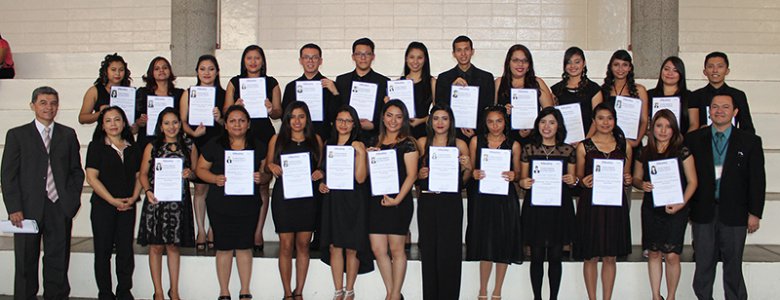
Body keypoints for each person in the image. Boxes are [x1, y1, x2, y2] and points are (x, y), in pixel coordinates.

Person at [2, 87, 84, 299]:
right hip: (27, 210)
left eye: (53, 103)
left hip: (59, 207)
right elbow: (8, 176)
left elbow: (76, 171)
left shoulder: (67, 134)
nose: (49, 107)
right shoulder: (17, 135)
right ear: (33, 106)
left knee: (57, 261)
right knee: (25, 262)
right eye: (43, 102)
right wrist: (14, 208)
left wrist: (71, 201)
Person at [685, 93, 765, 300]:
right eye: (715, 107)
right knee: (703, 263)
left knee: (733, 265)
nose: (719, 110)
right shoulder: (693, 139)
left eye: (725, 107)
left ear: (735, 112)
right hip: (703, 211)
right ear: (709, 111)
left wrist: (755, 213)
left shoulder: (750, 142)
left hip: (736, 213)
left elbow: (757, 180)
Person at [195, 105, 268, 300]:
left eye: (242, 120)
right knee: (224, 247)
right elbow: (200, 169)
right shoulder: (214, 144)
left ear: (248, 124)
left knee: (245, 246)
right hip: (220, 205)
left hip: (248, 205)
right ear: (225, 125)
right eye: (233, 121)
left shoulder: (259, 145)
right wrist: (214, 179)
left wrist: (262, 176)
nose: (237, 124)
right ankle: (224, 292)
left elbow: (267, 173)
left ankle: (245, 291)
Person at [631, 109, 698, 300]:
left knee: (671, 255)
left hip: (676, 209)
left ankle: (670, 296)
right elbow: (636, 178)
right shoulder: (645, 152)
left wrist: (681, 204)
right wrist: (641, 184)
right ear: (652, 129)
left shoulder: (682, 151)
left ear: (674, 129)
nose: (663, 130)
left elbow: (693, 182)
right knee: (653, 253)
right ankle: (655, 295)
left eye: (668, 126)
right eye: (659, 126)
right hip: (652, 208)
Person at [224, 45, 281, 251]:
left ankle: (257, 232)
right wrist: (234, 106)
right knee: (238, 180)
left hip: (263, 134)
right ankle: (237, 231)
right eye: (249, 58)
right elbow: (225, 113)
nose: (253, 62)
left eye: (257, 58)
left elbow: (277, 113)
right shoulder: (234, 82)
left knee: (262, 183)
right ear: (244, 61)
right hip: (239, 135)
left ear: (263, 61)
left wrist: (271, 108)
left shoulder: (271, 82)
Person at [137, 108, 197, 300]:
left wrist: (190, 174)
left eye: (175, 122)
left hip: (179, 203)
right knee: (155, 246)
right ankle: (159, 292)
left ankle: (174, 290)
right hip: (157, 202)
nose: (171, 127)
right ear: (160, 126)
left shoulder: (189, 145)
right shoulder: (152, 146)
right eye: (167, 123)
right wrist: (147, 191)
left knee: (173, 246)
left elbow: (196, 172)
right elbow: (143, 174)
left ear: (180, 124)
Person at [574, 102, 633, 300]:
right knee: (590, 256)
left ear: (615, 121)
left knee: (610, 256)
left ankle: (607, 298)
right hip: (591, 205)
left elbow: (627, 176)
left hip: (615, 205)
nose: (605, 122)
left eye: (609, 118)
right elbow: (579, 178)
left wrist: (628, 179)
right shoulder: (584, 146)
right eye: (601, 118)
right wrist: (583, 181)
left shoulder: (625, 146)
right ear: (594, 121)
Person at [517, 107, 577, 300]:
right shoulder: (529, 149)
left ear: (558, 125)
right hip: (536, 208)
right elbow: (522, 179)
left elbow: (575, 180)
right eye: (543, 122)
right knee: (535, 256)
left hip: (559, 208)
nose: (547, 126)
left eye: (551, 122)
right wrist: (523, 182)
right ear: (537, 125)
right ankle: (537, 297)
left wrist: (572, 180)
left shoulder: (568, 150)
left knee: (555, 256)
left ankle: (553, 297)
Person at [266, 101, 323, 299]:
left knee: (304, 245)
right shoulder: (277, 139)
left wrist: (319, 172)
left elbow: (323, 167)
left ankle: (299, 291)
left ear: (307, 118)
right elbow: (267, 166)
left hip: (308, 200)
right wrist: (271, 167)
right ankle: (287, 292)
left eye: (301, 116)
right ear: (286, 119)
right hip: (284, 200)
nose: (297, 121)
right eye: (292, 117)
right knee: (286, 245)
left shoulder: (315, 139)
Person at [85, 106, 142, 300]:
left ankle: (124, 291)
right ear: (102, 125)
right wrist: (111, 200)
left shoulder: (133, 147)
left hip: (128, 205)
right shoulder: (96, 147)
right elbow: (92, 177)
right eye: (108, 121)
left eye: (117, 119)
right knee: (103, 251)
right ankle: (105, 293)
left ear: (124, 122)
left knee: (125, 250)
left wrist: (134, 198)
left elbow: (139, 176)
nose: (113, 124)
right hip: (103, 206)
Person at [415, 104, 471, 299]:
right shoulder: (422, 142)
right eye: (436, 118)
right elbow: (413, 176)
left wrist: (468, 169)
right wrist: (419, 174)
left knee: (450, 253)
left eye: (444, 118)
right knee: (429, 252)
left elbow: (463, 182)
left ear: (451, 122)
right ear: (430, 121)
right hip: (428, 202)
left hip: (450, 203)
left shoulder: (460, 144)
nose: (440, 122)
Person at [467, 105, 523, 300]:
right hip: (482, 198)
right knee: (485, 243)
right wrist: (473, 173)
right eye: (490, 121)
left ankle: (497, 290)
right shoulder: (476, 141)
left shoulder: (513, 144)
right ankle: (482, 289)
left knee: (503, 242)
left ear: (505, 122)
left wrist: (514, 174)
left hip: (505, 199)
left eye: (499, 121)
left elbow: (519, 174)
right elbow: (471, 171)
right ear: (485, 123)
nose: (495, 125)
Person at [319, 105, 373, 300]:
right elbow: (324, 173)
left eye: (348, 121)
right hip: (333, 200)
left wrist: (361, 154)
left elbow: (360, 178)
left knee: (351, 246)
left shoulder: (359, 144)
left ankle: (349, 290)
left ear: (354, 124)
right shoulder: (328, 144)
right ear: (334, 123)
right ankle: (337, 291)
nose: (344, 124)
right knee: (334, 246)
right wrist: (322, 185)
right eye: (340, 120)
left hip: (353, 200)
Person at [367, 100, 419, 300]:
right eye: (389, 115)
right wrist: (366, 157)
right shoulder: (373, 142)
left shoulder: (408, 143)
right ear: (382, 117)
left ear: (404, 119)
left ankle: (394, 294)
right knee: (378, 249)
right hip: (376, 202)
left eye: (399, 116)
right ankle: (393, 293)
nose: (393, 120)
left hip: (399, 202)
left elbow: (412, 175)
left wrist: (397, 200)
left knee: (397, 250)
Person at [180, 54, 225, 250]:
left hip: (219, 143)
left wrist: (220, 119)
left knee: (216, 188)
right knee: (199, 189)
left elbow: (231, 122)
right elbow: (182, 121)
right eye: (202, 69)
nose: (207, 73)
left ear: (217, 72)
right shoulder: (188, 93)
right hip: (198, 142)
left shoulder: (223, 94)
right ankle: (200, 230)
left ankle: (214, 229)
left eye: (211, 69)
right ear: (197, 72)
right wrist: (193, 132)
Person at [435, 35, 496, 140]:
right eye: (459, 50)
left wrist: (475, 129)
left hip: (479, 133)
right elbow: (440, 107)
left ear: (472, 51)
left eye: (466, 49)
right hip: (451, 133)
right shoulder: (443, 78)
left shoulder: (486, 78)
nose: (463, 54)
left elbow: (488, 108)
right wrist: (452, 89)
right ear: (453, 54)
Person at [495, 44, 554, 144]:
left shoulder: (538, 83)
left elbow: (550, 114)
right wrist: (503, 111)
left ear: (529, 65)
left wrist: (533, 124)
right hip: (504, 139)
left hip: (533, 139)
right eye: (515, 60)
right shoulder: (499, 82)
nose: (520, 64)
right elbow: (490, 113)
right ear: (508, 63)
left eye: (525, 61)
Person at [335, 37, 390, 143]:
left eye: (367, 54)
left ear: (373, 57)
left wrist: (374, 125)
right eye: (359, 54)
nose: (363, 58)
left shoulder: (384, 82)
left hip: (374, 137)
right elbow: (338, 107)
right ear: (353, 57)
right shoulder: (342, 81)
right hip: (347, 137)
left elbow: (386, 111)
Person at [282, 43, 341, 141]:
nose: (310, 61)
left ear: (320, 61)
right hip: (297, 138)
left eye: (314, 57)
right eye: (306, 57)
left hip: (324, 137)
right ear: (300, 60)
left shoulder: (331, 86)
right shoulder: (291, 87)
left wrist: (335, 93)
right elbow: (285, 115)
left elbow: (336, 116)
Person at [692, 51, 755, 134]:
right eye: (710, 66)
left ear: (727, 71)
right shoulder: (695, 96)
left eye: (720, 66)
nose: (715, 70)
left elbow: (747, 127)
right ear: (705, 72)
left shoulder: (738, 95)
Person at [551, 46, 603, 139]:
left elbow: (598, 119)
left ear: (584, 63)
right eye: (569, 62)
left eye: (577, 62)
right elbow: (552, 118)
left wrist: (584, 142)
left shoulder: (594, 89)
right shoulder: (557, 90)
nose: (573, 66)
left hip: (588, 141)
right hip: (562, 143)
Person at [601, 50, 649, 151]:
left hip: (631, 143)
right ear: (610, 67)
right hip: (608, 143)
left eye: (625, 65)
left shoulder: (640, 90)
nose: (620, 69)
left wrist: (636, 142)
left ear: (630, 68)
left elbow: (644, 120)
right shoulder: (603, 90)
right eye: (616, 65)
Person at [647, 56, 699, 134]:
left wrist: (684, 141)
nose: (670, 73)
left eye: (675, 70)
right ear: (661, 71)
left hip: (682, 143)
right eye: (666, 69)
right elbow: (644, 122)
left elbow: (694, 125)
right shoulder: (649, 95)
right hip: (655, 143)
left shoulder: (690, 96)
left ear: (681, 74)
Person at [79, 53, 132, 125]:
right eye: (113, 70)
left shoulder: (129, 92)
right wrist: (100, 113)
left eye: (121, 70)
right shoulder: (94, 91)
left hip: (124, 134)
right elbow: (82, 118)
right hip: (103, 134)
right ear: (106, 71)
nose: (117, 73)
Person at [400, 41, 436, 139]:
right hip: (402, 132)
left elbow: (438, 113)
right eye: (412, 57)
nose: (415, 62)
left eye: (419, 58)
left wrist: (421, 120)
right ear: (406, 59)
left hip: (424, 132)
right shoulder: (398, 83)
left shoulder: (432, 82)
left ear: (425, 60)